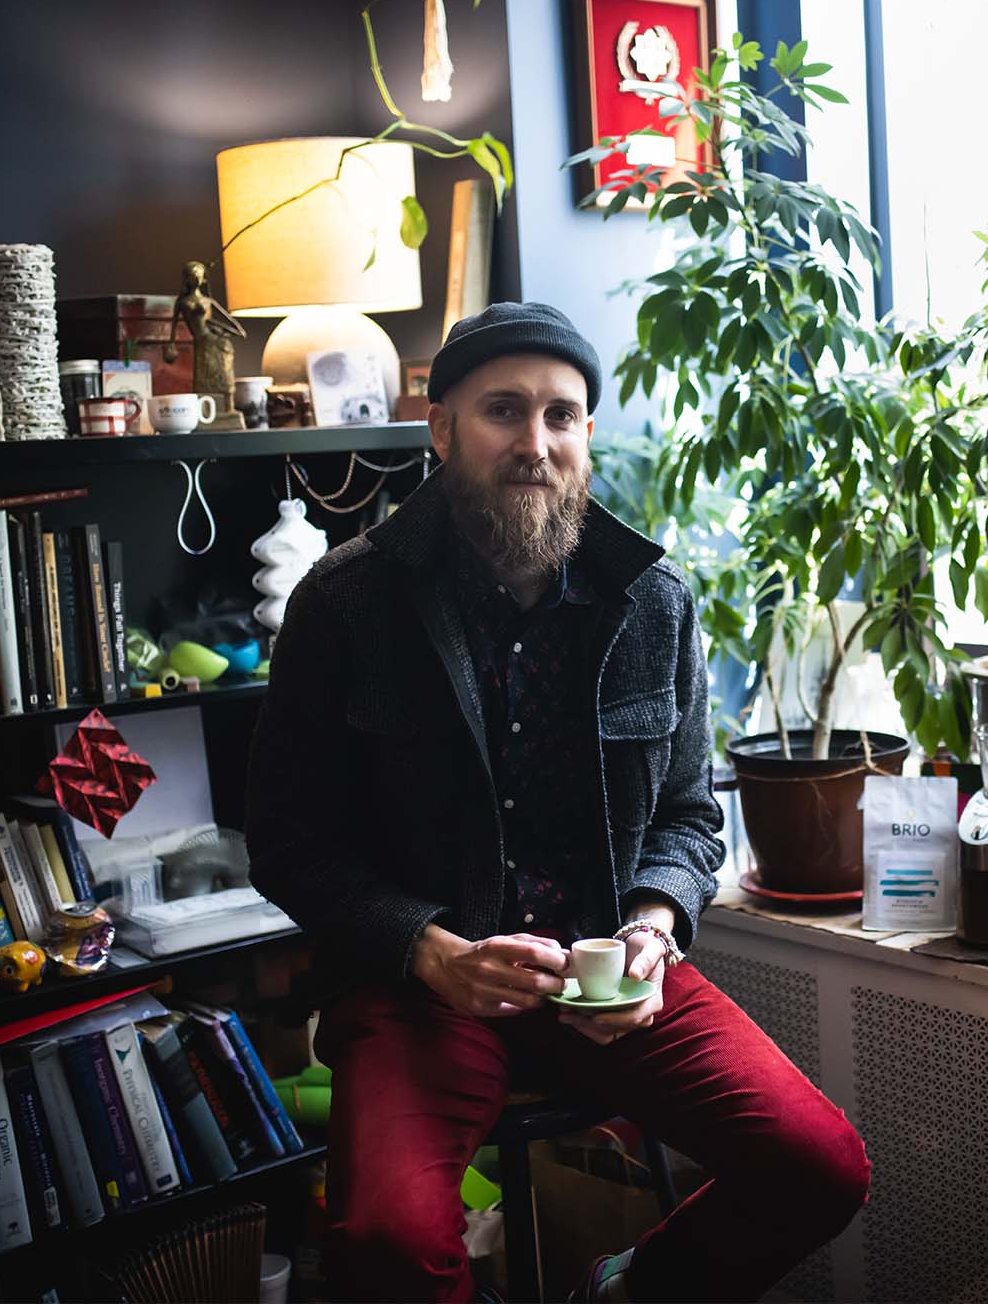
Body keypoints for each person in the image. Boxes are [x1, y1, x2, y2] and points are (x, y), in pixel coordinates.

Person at [247, 302, 870, 1302]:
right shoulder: (344, 603)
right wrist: (427, 951)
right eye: (502, 411)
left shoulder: (651, 601)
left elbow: (685, 815)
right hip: (421, 986)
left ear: (586, 433)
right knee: (387, 1248)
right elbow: (285, 841)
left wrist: (653, 924)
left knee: (818, 1167)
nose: (534, 444)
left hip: (610, 977)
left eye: (561, 416)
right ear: (441, 426)